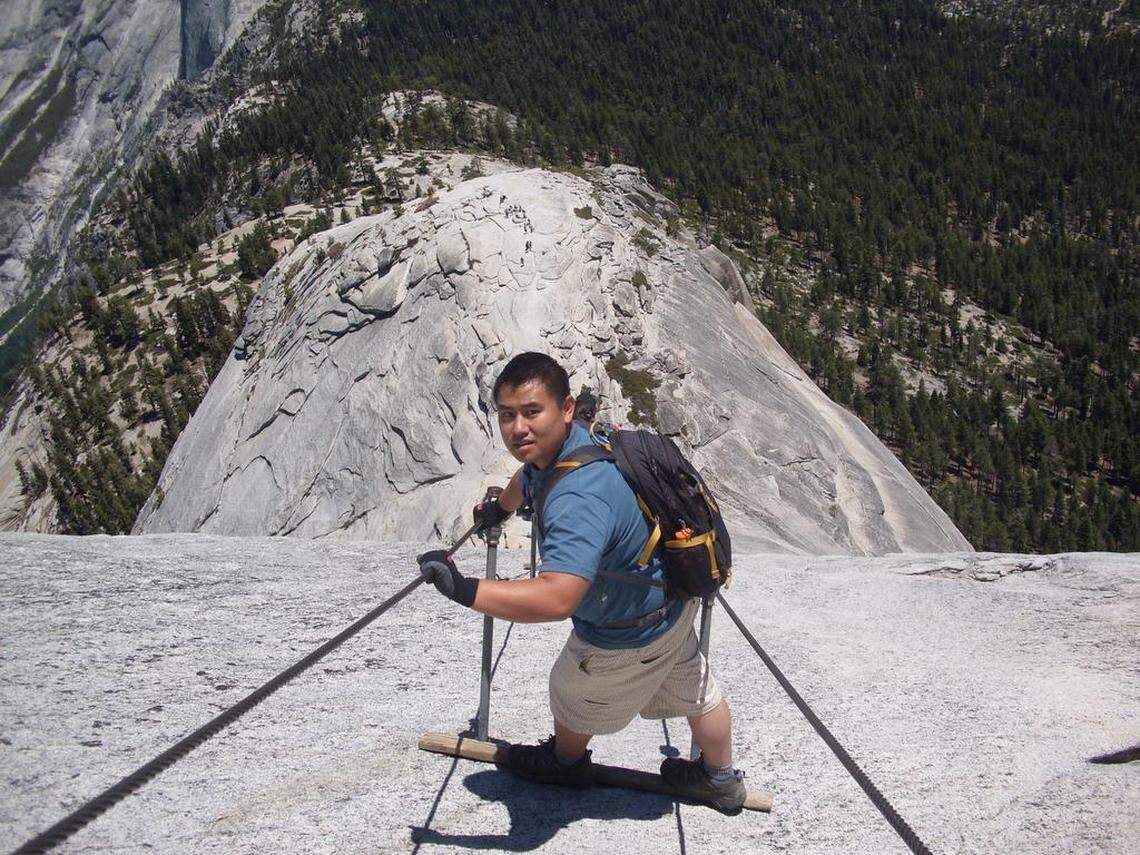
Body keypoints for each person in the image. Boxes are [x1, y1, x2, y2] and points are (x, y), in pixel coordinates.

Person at [418, 352, 746, 811]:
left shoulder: (577, 495)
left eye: (532, 412)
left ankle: (565, 763)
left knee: (570, 687)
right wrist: (503, 507)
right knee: (696, 689)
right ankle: (720, 778)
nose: (518, 429)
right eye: (507, 415)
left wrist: (463, 588)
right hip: (669, 602)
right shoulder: (573, 443)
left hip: (624, 629)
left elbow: (558, 597)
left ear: (566, 408)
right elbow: (528, 477)